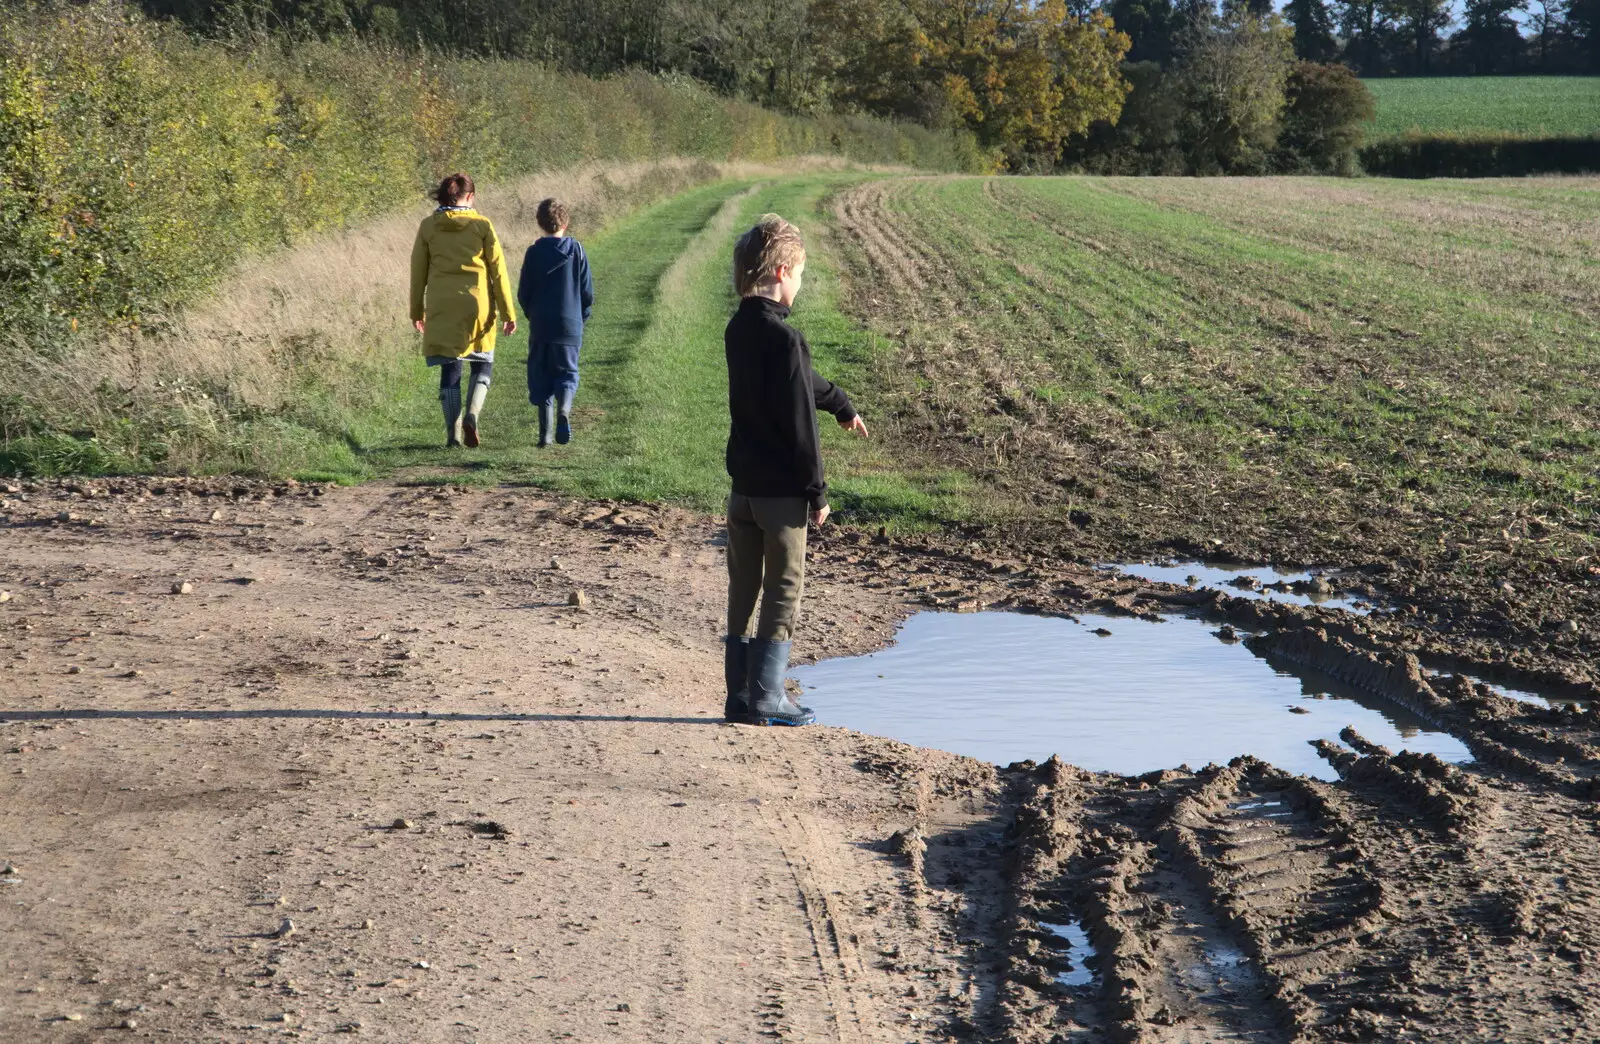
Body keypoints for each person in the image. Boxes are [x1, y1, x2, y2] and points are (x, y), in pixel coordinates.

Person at [722, 214, 869, 726]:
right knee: (785, 587)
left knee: (743, 588)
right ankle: (768, 697)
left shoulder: (739, 328)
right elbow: (800, 425)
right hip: (782, 496)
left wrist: (842, 403)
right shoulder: (787, 339)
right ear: (783, 271)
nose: (800, 285)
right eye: (801, 275)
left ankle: (738, 696)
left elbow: (806, 384)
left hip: (742, 492)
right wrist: (818, 492)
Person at [409, 172, 517, 448]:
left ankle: (452, 435)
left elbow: (417, 272)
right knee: (483, 362)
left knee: (450, 366)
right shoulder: (482, 225)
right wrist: (508, 313)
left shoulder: (428, 227)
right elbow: (499, 273)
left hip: (441, 303)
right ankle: (472, 414)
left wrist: (416, 311)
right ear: (469, 196)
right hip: (477, 304)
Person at [517, 198, 593, 447]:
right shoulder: (577, 250)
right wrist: (581, 319)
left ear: (540, 223)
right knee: (567, 374)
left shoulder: (533, 252)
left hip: (541, 325)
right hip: (570, 325)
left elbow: (523, 293)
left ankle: (545, 436)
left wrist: (532, 315)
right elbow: (586, 292)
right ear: (566, 222)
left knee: (541, 376)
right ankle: (565, 411)